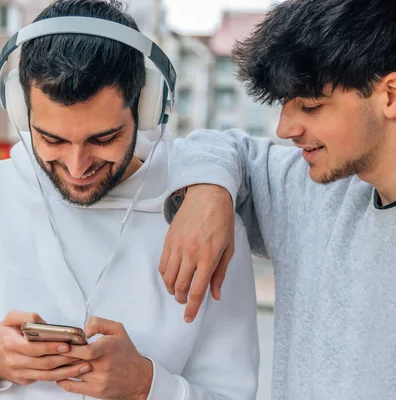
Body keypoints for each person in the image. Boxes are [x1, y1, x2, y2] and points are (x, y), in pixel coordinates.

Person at [0, 1, 259, 399]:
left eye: (102, 139)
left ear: (146, 107)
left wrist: (147, 386)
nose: (76, 165)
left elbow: (232, 393)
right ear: (21, 113)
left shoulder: (204, 222)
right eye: (52, 139)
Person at [158, 0, 396, 399]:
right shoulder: (314, 191)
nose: (285, 128)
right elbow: (224, 147)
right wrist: (207, 191)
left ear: (389, 94)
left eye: (311, 107)